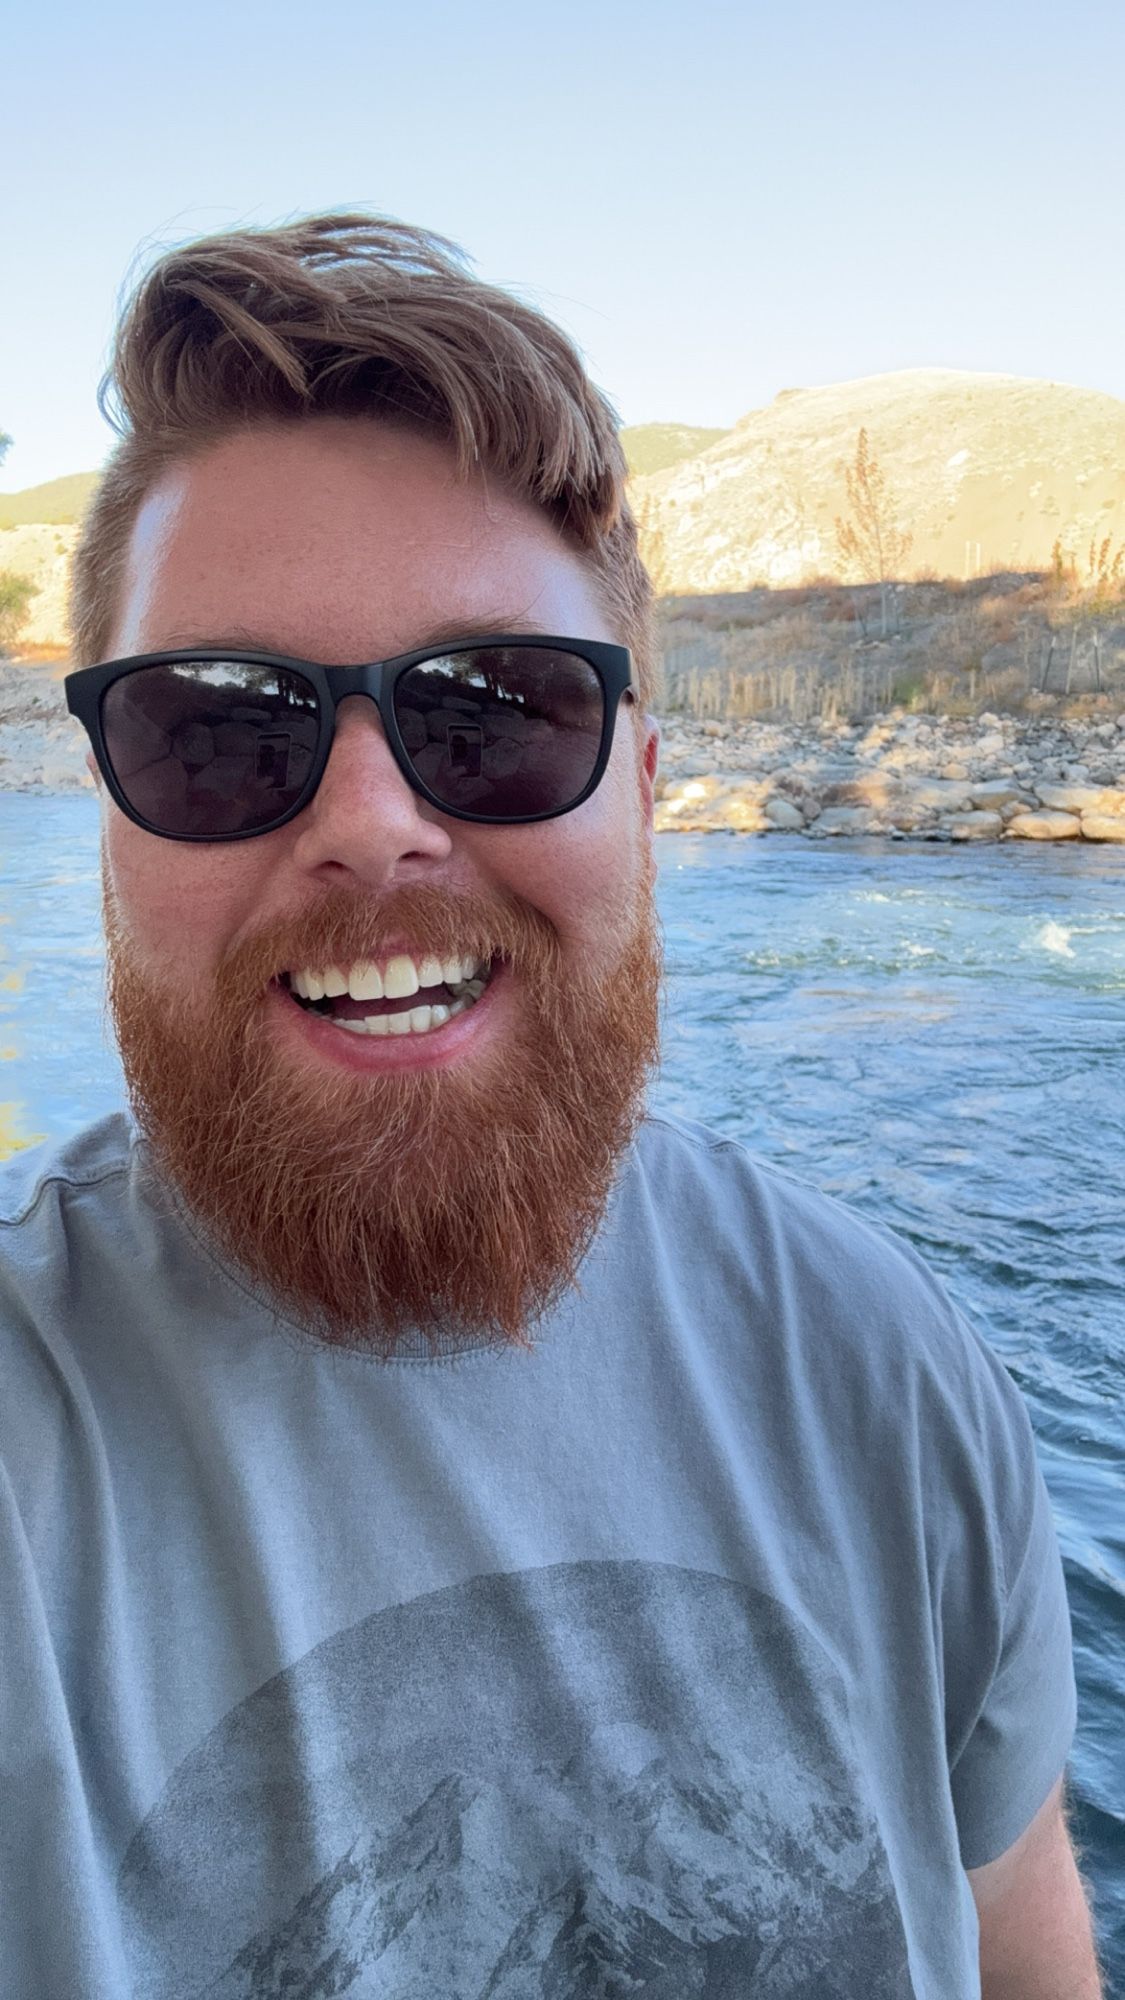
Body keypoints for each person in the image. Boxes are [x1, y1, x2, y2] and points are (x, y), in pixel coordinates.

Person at [0, 212, 1103, 1999]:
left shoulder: (881, 1362)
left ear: (646, 792)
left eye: (497, 709)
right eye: (220, 726)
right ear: (111, 831)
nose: (369, 819)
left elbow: (1020, 1955)